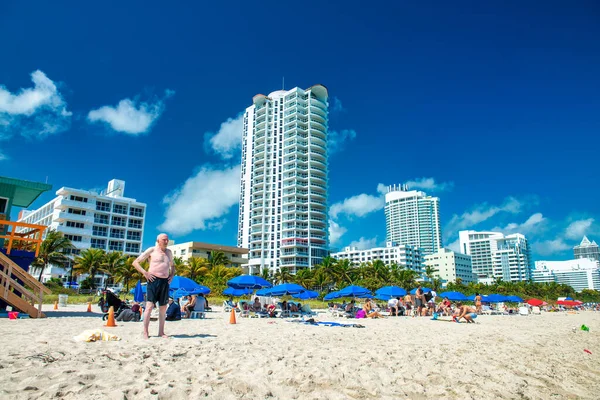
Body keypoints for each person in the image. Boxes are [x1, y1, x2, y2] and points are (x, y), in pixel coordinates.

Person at [133, 233, 175, 339]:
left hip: (165, 281)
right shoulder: (151, 250)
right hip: (153, 280)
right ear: (158, 241)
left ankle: (161, 332)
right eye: (164, 240)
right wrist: (145, 273)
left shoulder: (169, 252)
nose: (166, 242)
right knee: (149, 306)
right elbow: (135, 262)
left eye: (167, 240)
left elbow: (172, 266)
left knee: (163, 307)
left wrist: (172, 275)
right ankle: (145, 332)